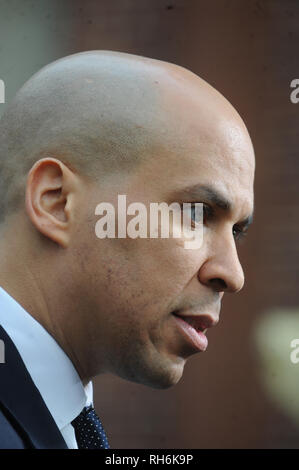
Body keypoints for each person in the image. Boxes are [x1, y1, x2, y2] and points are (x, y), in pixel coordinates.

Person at [0, 50, 255, 449]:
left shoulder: (61, 417)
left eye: (237, 230)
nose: (232, 275)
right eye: (198, 213)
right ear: (57, 202)